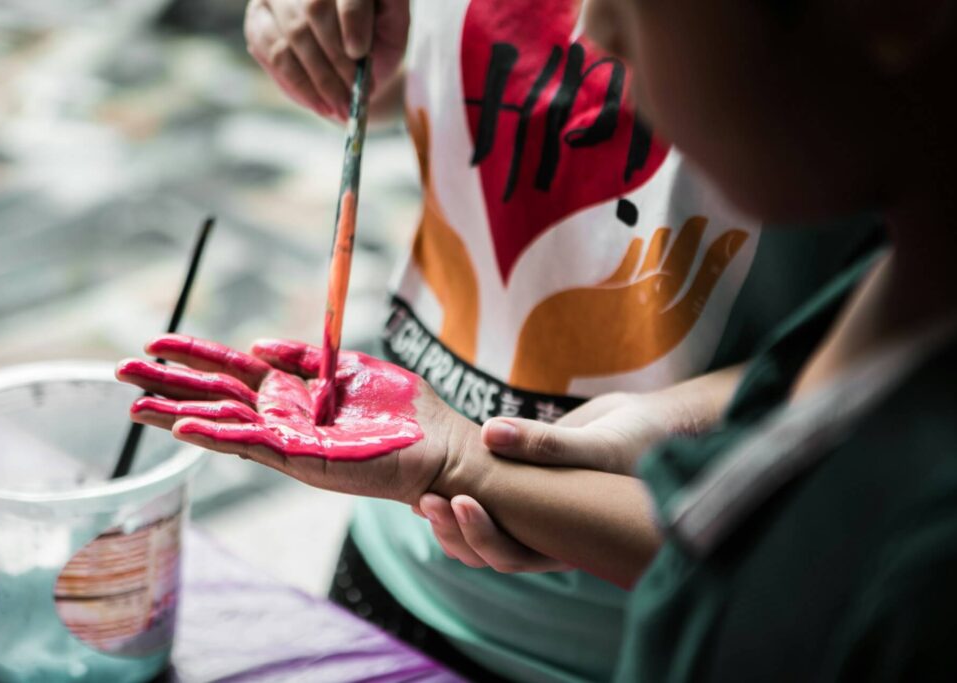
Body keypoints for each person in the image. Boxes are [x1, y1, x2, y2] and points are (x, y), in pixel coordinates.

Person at [231, 1, 881, 681]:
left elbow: (890, 354)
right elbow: (440, 76)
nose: (588, 32)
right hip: (399, 558)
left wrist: (498, 468)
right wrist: (337, 51)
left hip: (640, 627)